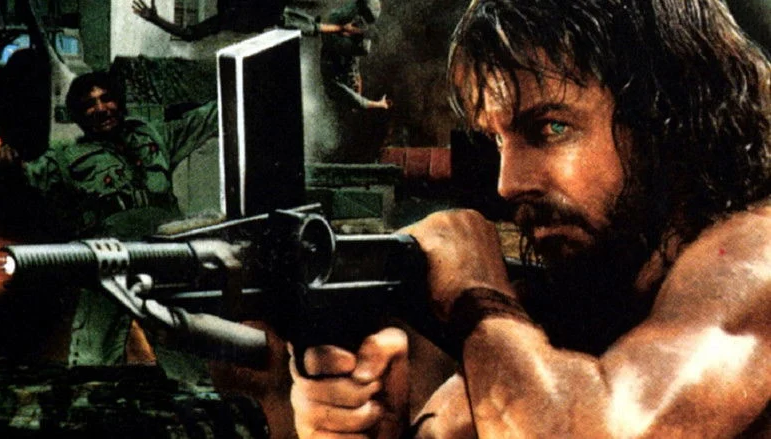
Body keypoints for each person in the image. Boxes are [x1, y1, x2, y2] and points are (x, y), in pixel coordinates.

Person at [289, 0, 771, 437]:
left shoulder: (756, 253)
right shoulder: (591, 292)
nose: (509, 183)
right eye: (498, 140)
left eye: (551, 128)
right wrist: (381, 428)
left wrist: (475, 289)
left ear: (667, 121)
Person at [0, 71, 219, 367]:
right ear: (79, 115)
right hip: (109, 258)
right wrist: (7, 165)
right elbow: (23, 176)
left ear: (119, 103)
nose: (100, 109)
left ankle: (192, 389)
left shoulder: (154, 136)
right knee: (93, 357)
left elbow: (210, 116)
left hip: (163, 254)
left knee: (184, 345)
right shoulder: (65, 158)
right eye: (89, 105)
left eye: (106, 99)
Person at [285, 0, 390, 111]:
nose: (356, 83)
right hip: (337, 36)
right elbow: (358, 87)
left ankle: (287, 18)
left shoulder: (336, 86)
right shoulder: (352, 67)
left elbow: (360, 102)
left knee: (363, 46)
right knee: (363, 41)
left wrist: (380, 104)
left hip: (334, 40)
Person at [132, 0, 287, 41]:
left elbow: (189, 34)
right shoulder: (228, 18)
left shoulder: (228, 18)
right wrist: (155, 19)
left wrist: (155, 20)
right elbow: (189, 34)